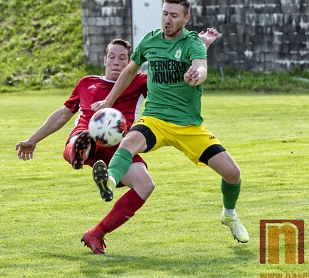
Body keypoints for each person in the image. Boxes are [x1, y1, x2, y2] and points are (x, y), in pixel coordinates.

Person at [16, 31, 219, 254]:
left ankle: (96, 233)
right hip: (87, 135)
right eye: (112, 56)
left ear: (130, 62)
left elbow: (174, 74)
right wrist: (32, 140)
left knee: (145, 185)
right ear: (104, 60)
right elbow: (63, 115)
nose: (116, 61)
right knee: (83, 139)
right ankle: (79, 155)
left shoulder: (141, 81)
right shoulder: (87, 83)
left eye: (123, 58)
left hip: (119, 146)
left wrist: (202, 45)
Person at [91, 0, 249, 244]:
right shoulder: (150, 41)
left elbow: (201, 66)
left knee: (232, 174)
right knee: (128, 143)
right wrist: (109, 101)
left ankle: (229, 214)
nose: (167, 19)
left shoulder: (193, 43)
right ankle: (109, 180)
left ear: (186, 18)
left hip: (188, 126)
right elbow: (130, 70)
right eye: (165, 13)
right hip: (154, 119)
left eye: (174, 15)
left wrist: (197, 74)